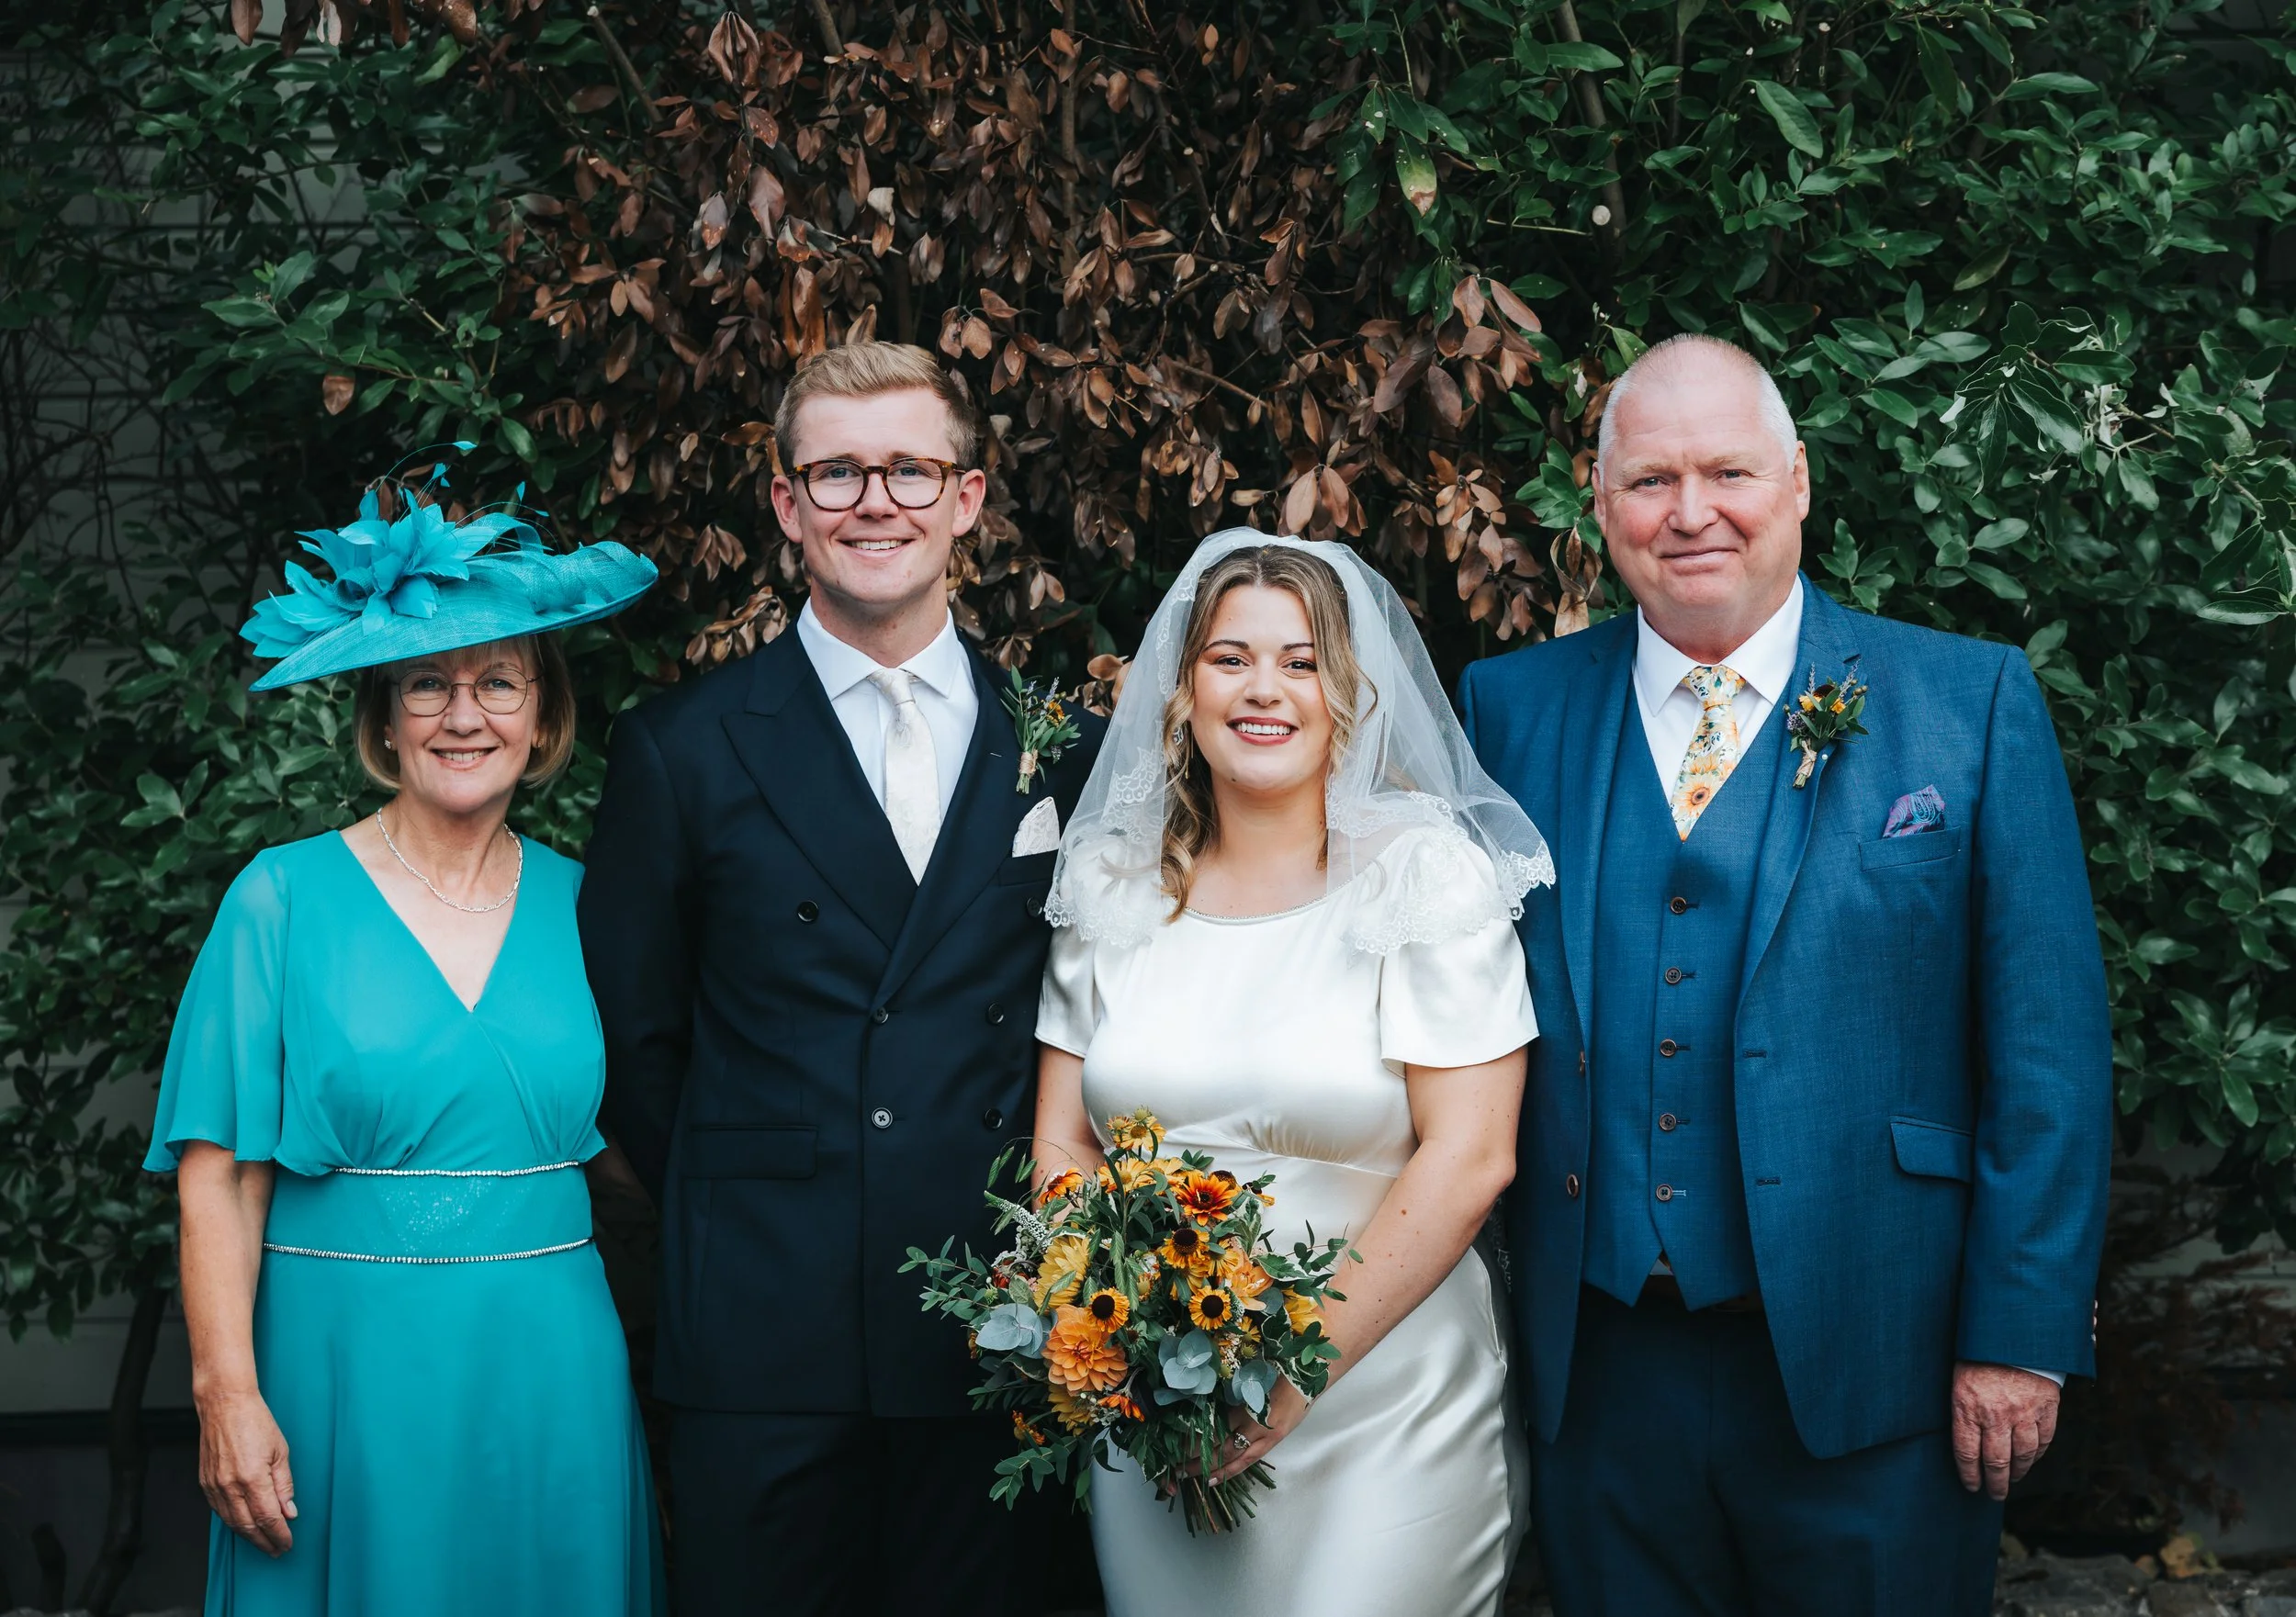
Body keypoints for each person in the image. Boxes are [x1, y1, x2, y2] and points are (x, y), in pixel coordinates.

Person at [1459, 332, 2111, 1616]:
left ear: (1800, 484)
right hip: (1605, 1371)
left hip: (1887, 1361)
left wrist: (2019, 1335)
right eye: (1649, 481)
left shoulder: (1963, 702)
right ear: (1600, 508)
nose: (1691, 512)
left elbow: (2049, 1050)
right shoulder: (1509, 711)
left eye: (1729, 473)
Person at [578, 342, 1104, 1616]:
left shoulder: (1067, 744)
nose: (878, 502)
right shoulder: (682, 748)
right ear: (787, 503)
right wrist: (758, 1188)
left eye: (912, 471)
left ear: (967, 500)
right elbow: (638, 1047)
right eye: (840, 473)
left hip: (998, 1320)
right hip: (766, 1328)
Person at [146, 482, 666, 1616]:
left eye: (498, 683)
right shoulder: (280, 899)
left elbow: (643, 1150)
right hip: (343, 1368)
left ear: (542, 715)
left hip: (552, 1366)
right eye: (427, 683)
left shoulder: (594, 909)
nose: (463, 714)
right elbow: (220, 1180)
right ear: (383, 718)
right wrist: (224, 1393)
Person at [1031, 533, 1551, 1616]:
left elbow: (1471, 1155)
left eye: (1302, 661)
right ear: (1181, 691)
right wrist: (1102, 1324)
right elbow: (1064, 1143)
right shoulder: (1114, 882)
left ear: (1350, 694)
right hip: (1158, 1404)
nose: (1263, 689)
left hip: (1382, 1402)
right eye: (1228, 658)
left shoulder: (1423, 878)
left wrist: (1288, 1370)